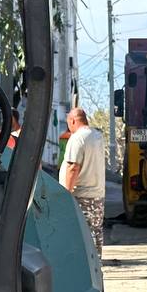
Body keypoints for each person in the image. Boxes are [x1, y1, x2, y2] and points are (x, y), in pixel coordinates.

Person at [60, 107, 106, 256]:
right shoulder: (97, 136)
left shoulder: (77, 138)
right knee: (95, 237)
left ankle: (83, 275)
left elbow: (73, 167)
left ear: (72, 121)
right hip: (97, 197)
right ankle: (96, 271)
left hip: (81, 197)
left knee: (79, 239)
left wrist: (65, 194)